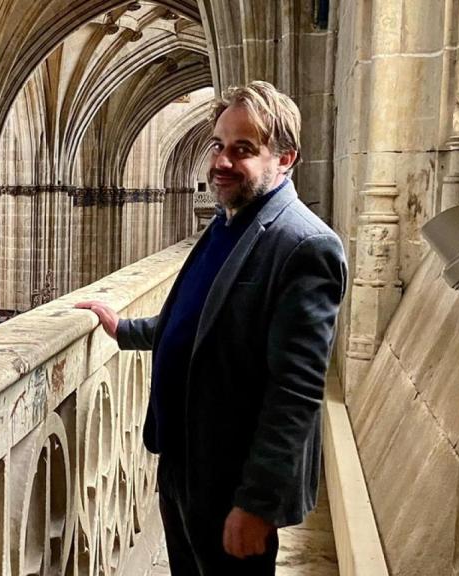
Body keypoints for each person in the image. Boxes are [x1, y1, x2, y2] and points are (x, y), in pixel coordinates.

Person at [76, 81, 347, 575]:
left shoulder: (304, 246)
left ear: (285, 159)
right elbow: (199, 320)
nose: (221, 161)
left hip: (231, 478)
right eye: (218, 145)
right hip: (184, 460)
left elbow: (297, 391)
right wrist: (125, 330)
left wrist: (256, 504)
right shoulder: (230, 221)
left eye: (243, 149)